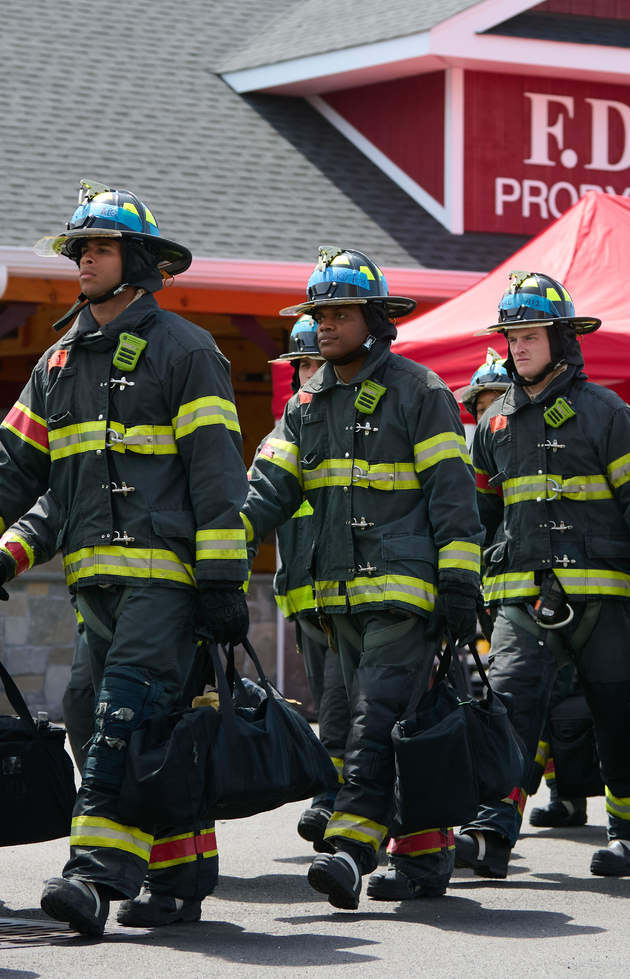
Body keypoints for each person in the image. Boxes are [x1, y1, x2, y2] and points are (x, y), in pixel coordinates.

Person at [0, 183, 247, 937]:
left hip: (167, 584)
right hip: (96, 586)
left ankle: (94, 876)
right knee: (102, 715)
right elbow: (14, 466)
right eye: (79, 248)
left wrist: (220, 580)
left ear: (137, 261)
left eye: (100, 247)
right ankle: (180, 872)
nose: (83, 259)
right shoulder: (58, 361)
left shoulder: (185, 351)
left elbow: (217, 477)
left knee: (122, 718)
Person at [240, 248, 483, 909]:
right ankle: (426, 858)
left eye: (339, 312)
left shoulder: (420, 392)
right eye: (319, 313)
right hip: (334, 599)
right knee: (386, 729)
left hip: (402, 593)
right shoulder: (307, 404)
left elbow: (453, 498)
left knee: (376, 723)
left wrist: (460, 583)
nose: (324, 325)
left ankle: (350, 850)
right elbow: (266, 494)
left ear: (374, 318)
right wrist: (218, 558)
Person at [451, 271, 630, 883]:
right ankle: (491, 831)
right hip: (519, 596)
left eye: (529, 335)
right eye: (511, 337)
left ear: (560, 338)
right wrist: (462, 584)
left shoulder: (606, 413)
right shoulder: (493, 424)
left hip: (604, 597)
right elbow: (479, 518)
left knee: (615, 715)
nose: (517, 347)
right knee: (508, 707)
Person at [263, 316, 348, 852]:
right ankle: (336, 797)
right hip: (304, 597)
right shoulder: (282, 433)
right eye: (302, 367)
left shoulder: (354, 429)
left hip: (355, 593)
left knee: (343, 705)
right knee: (328, 700)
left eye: (316, 364)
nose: (308, 375)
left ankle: (336, 802)